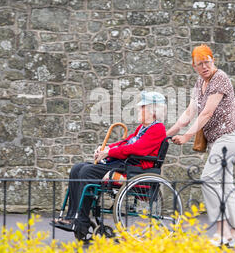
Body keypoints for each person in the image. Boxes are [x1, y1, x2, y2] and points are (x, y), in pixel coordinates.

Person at [54, 91, 167, 238]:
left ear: (152, 111)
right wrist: (106, 148)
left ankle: (80, 221)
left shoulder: (158, 129)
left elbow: (136, 148)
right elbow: (125, 142)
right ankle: (71, 217)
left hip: (134, 168)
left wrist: (110, 153)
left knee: (87, 172)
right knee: (77, 169)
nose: (139, 110)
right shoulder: (142, 128)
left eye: (142, 107)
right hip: (125, 164)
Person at [167, 44, 235, 247]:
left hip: (231, 136)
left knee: (208, 177)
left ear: (213, 61)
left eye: (207, 62)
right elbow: (188, 114)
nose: (204, 66)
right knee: (224, 183)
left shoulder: (219, 78)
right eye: (199, 64)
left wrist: (186, 137)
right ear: (194, 66)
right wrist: (166, 134)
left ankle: (222, 232)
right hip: (219, 140)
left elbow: (207, 113)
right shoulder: (199, 83)